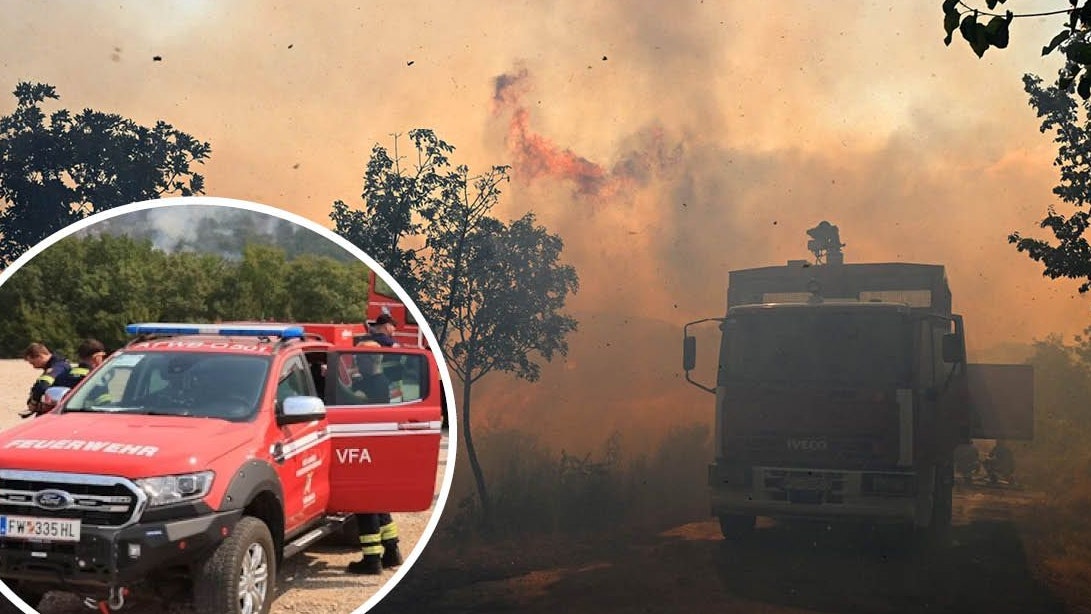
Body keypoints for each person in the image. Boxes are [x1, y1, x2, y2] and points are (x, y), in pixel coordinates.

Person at [346, 327, 403, 575]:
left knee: (365, 504)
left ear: (371, 360)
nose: (357, 362)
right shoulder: (381, 381)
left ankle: (371, 561)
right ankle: (391, 551)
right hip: (378, 449)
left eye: (359, 359)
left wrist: (338, 384)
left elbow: (351, 401)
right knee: (379, 503)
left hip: (366, 449)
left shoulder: (372, 385)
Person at [21, 343, 73, 417]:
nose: (33, 367)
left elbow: (43, 385)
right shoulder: (57, 364)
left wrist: (33, 402)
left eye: (33, 363)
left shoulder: (57, 366)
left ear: (40, 356)